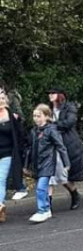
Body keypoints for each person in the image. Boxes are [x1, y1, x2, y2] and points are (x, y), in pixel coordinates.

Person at [26, 104, 69, 224]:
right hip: (36, 164)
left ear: (46, 117)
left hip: (47, 163)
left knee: (40, 188)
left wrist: (66, 163)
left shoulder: (51, 130)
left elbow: (61, 146)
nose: (36, 118)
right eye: (34, 116)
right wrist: (26, 165)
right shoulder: (33, 131)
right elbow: (30, 149)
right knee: (41, 189)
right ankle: (47, 209)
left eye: (38, 116)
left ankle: (42, 210)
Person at [47, 89, 83, 210]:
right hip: (50, 144)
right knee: (49, 174)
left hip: (66, 142)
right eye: (49, 93)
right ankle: (47, 203)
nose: (50, 95)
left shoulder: (68, 107)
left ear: (59, 95)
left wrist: (53, 124)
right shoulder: (47, 109)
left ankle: (74, 194)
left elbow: (69, 122)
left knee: (63, 175)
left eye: (53, 93)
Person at [0, 91, 27, 223]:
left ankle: (0, 205)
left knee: (1, 179)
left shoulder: (12, 116)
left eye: (3, 98)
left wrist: (21, 151)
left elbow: (20, 134)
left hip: (7, 153)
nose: (2, 100)